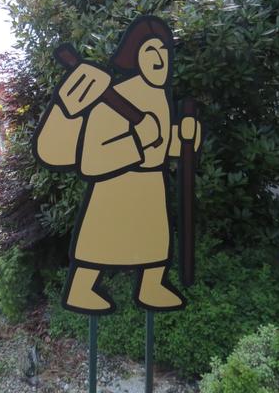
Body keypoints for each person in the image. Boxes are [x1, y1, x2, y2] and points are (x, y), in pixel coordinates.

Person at [34, 16, 201, 314]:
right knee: (101, 241)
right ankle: (81, 289)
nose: (159, 58)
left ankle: (151, 285)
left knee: (153, 239)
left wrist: (185, 139)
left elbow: (161, 145)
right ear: (136, 57)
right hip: (115, 186)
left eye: (163, 51)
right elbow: (92, 159)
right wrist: (137, 142)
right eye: (150, 51)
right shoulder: (114, 98)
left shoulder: (160, 95)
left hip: (151, 184)